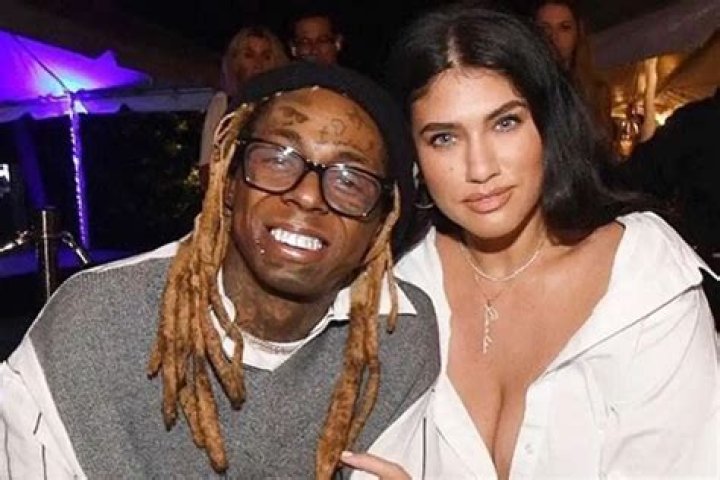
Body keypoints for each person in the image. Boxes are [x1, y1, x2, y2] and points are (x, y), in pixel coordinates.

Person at [0, 62, 440, 479]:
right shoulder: (91, 324)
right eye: (278, 158)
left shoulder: (399, 336)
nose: (307, 196)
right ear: (228, 180)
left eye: (349, 180)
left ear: (381, 222)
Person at [345, 3, 719, 478]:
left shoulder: (640, 279)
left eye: (505, 123)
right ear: (412, 154)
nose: (481, 168)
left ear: (547, 124)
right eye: (444, 138)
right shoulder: (396, 284)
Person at [198, 26, 289, 192]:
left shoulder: (286, 106)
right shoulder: (223, 103)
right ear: (235, 62)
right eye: (249, 55)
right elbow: (206, 170)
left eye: (266, 56)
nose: (258, 64)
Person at [534, 0, 614, 141]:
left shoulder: (596, 91)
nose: (553, 37)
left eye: (564, 28)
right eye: (544, 29)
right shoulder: (524, 87)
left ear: (577, 33)